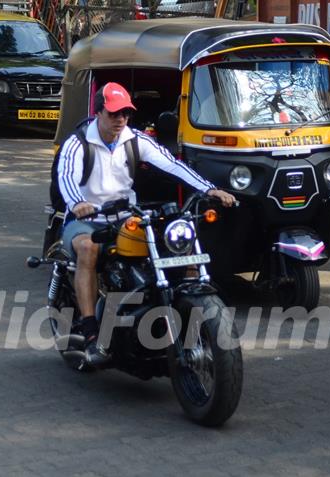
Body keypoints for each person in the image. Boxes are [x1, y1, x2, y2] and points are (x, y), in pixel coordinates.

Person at [56, 82, 236, 365]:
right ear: (98, 112)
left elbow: (173, 165)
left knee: (177, 246)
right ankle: (91, 332)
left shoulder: (135, 139)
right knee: (88, 249)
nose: (121, 120)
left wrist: (209, 190)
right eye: (114, 113)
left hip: (127, 216)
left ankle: (178, 311)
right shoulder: (78, 143)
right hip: (88, 220)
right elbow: (66, 176)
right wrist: (78, 204)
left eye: (125, 114)